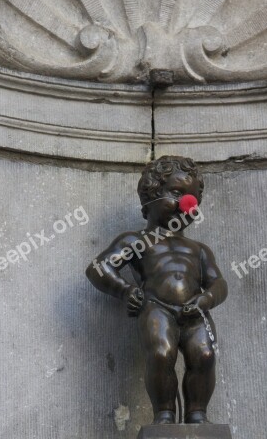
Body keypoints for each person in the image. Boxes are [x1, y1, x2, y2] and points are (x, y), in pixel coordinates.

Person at [86, 156, 228, 424]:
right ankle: (164, 415)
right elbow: (99, 268)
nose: (186, 204)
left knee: (205, 355)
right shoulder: (137, 241)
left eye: (192, 199)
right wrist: (125, 291)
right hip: (156, 307)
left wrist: (206, 300)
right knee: (161, 354)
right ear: (150, 197)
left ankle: (198, 415)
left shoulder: (198, 250)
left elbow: (219, 283)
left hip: (195, 311)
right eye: (176, 194)